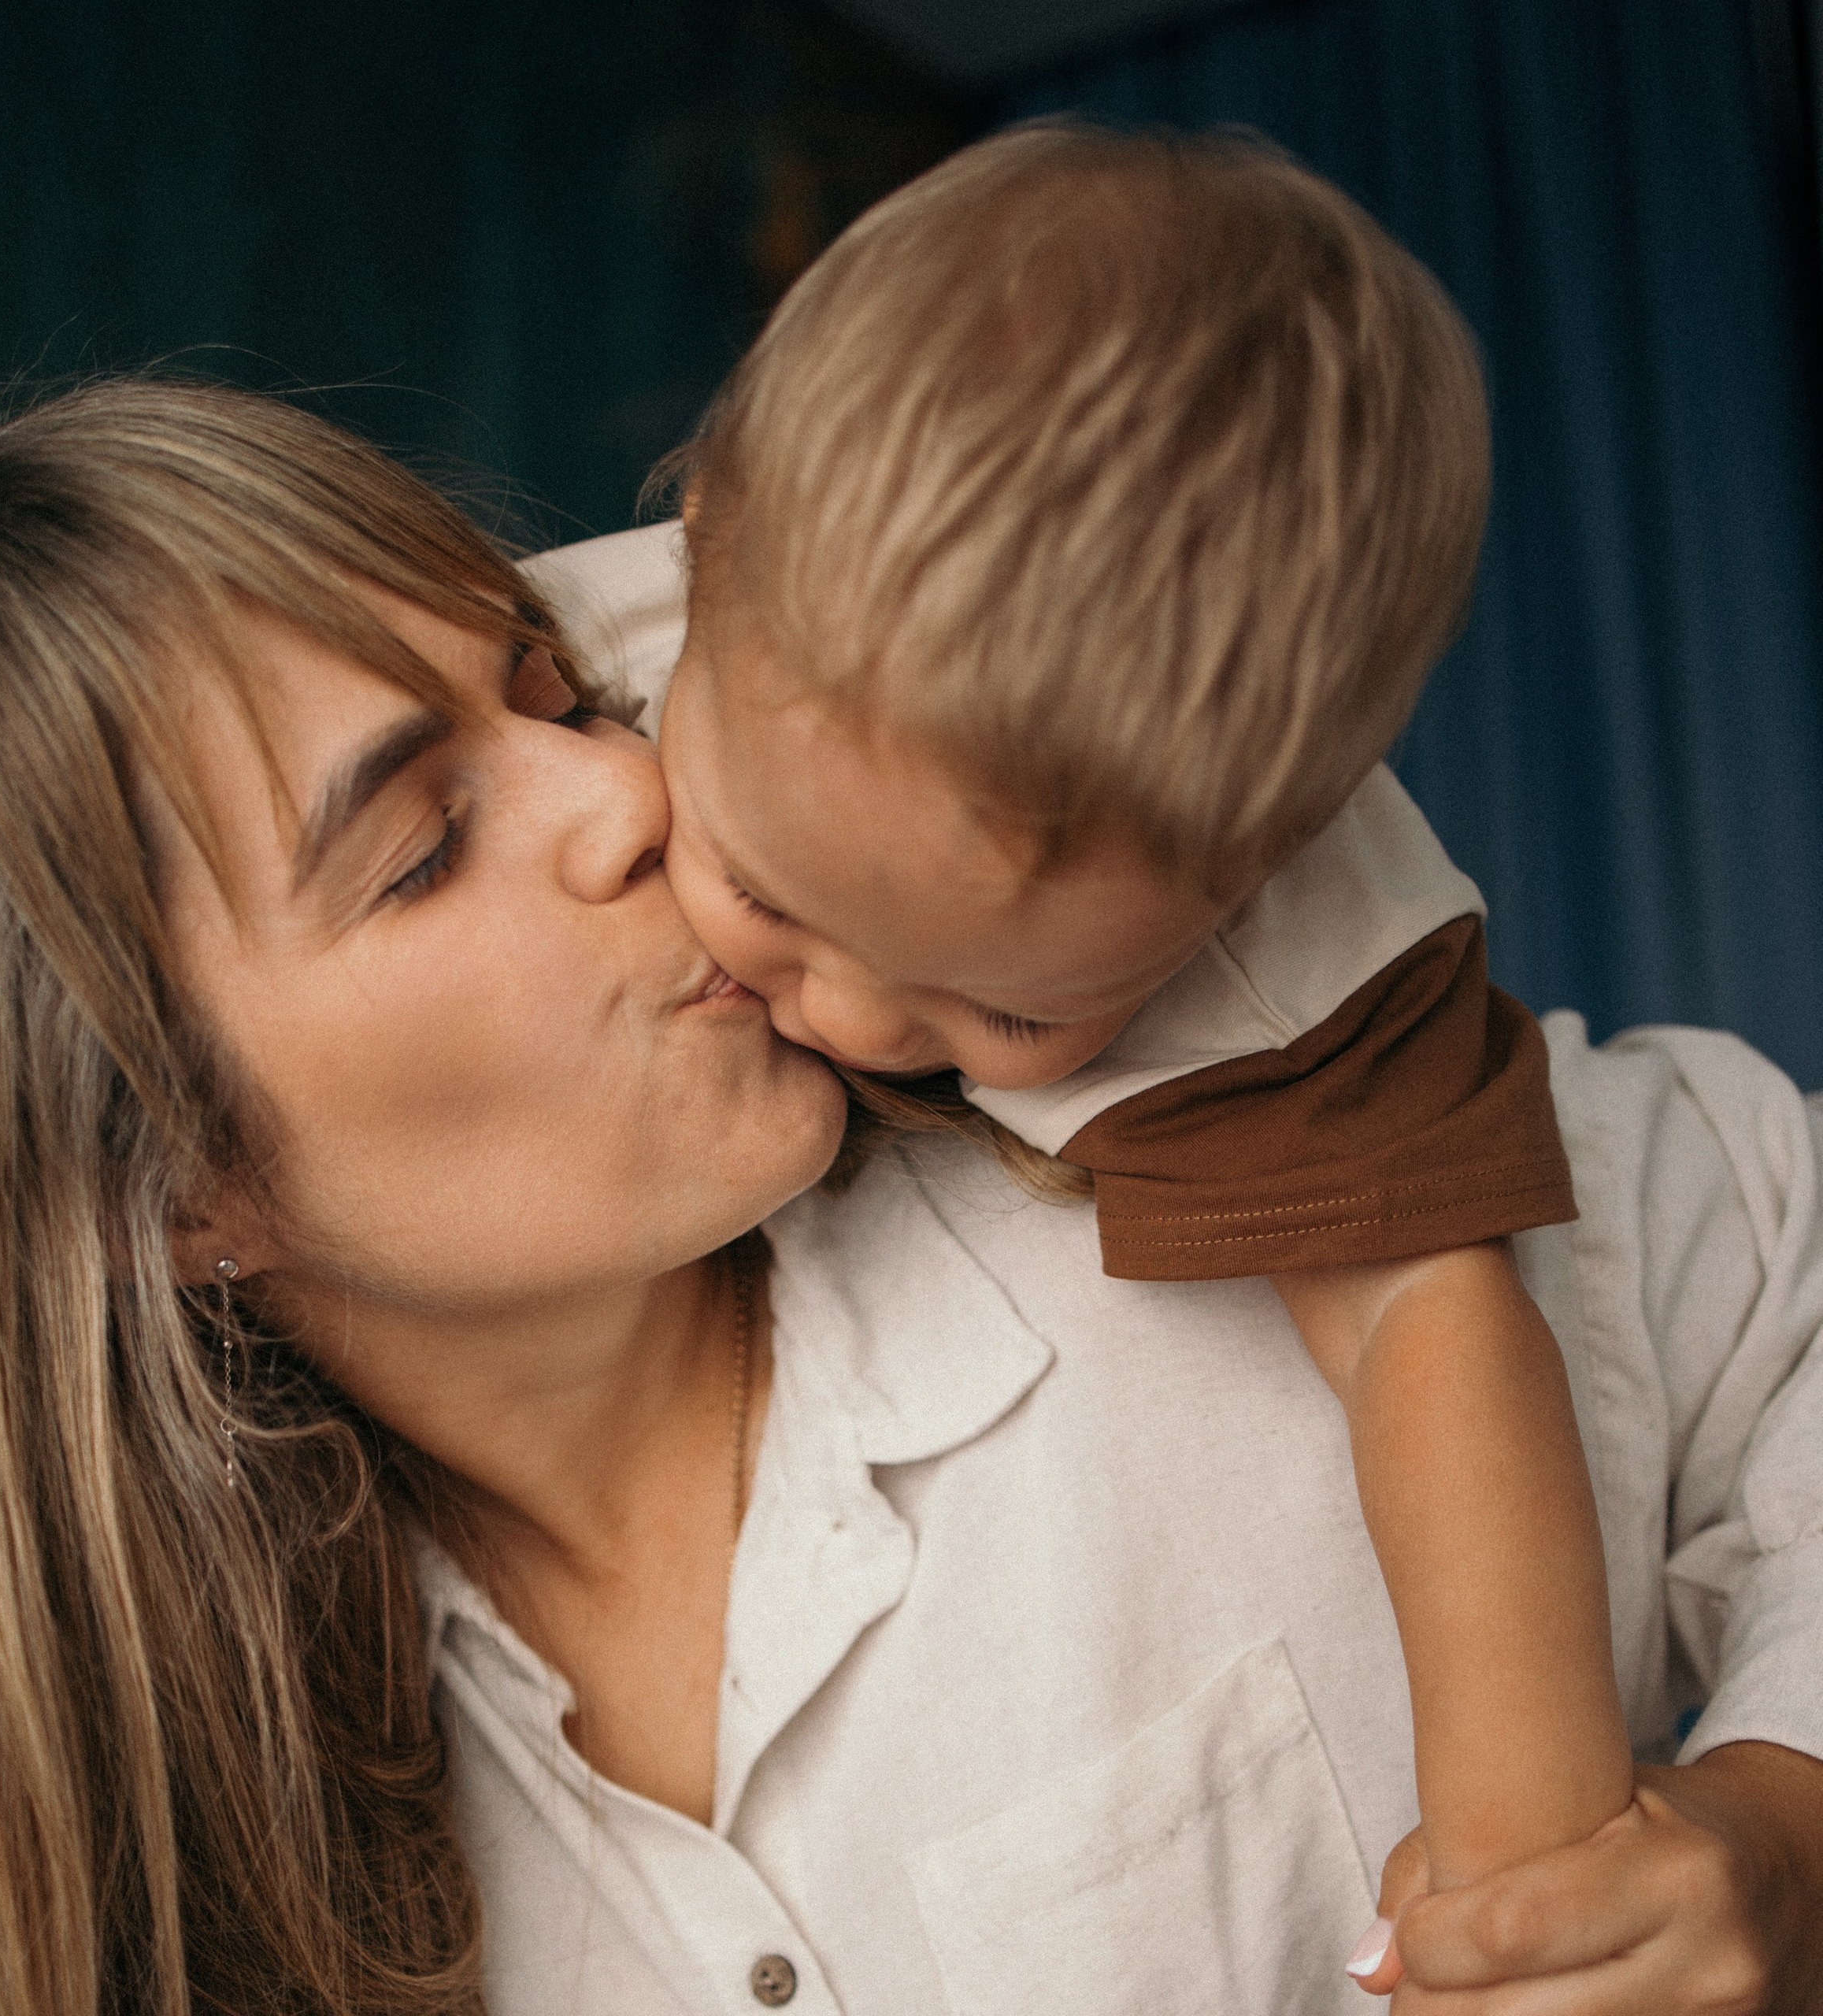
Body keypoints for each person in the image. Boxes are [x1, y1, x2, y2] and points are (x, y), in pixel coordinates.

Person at [0, 378, 1817, 2016]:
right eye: (424, 845)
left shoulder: (1221, 1186)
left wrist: (1785, 1826)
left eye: (556, 694)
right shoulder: (196, 1849)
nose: (622, 800)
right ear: (157, 1188)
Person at [637, 121, 1628, 1915]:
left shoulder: (1294, 970)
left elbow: (1436, 1339)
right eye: (768, 896)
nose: (852, 1018)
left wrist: (1527, 1849)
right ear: (693, 549)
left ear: (1252, 867)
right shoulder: (581, 646)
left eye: (1005, 1007)